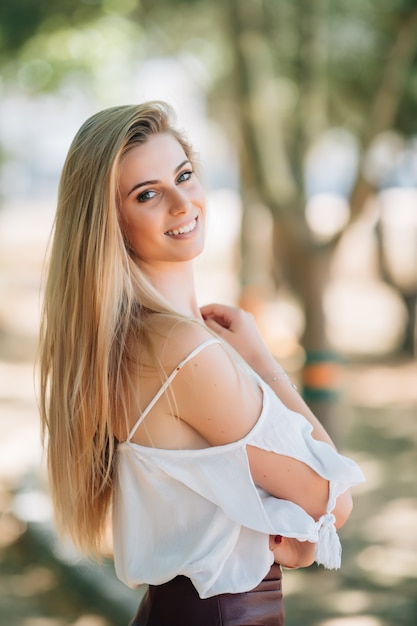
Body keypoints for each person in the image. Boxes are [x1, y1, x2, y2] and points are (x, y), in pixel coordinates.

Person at [39, 101, 364, 626]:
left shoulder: (132, 342)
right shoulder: (183, 352)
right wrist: (261, 359)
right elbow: (332, 500)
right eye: (147, 194)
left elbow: (237, 508)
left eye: (183, 175)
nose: (180, 202)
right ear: (111, 222)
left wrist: (279, 535)